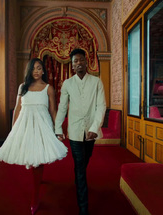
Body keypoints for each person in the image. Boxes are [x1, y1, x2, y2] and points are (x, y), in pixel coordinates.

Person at [0, 58, 68, 215]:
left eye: (39, 68)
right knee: (32, 157)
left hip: (42, 125)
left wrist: (58, 130)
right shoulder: (23, 87)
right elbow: (17, 109)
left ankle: (35, 197)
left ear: (43, 71)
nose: (36, 71)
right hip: (25, 125)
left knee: (37, 160)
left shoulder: (48, 88)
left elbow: (53, 111)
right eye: (33, 68)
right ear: (29, 70)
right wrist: (12, 131)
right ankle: (38, 181)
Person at [55, 48, 106, 215]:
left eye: (80, 60)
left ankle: (79, 180)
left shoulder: (97, 82)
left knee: (85, 161)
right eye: (75, 61)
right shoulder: (68, 84)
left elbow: (101, 106)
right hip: (75, 131)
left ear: (86, 61)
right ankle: (83, 207)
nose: (78, 63)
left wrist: (94, 127)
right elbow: (62, 107)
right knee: (79, 165)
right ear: (72, 65)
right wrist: (58, 128)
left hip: (91, 131)